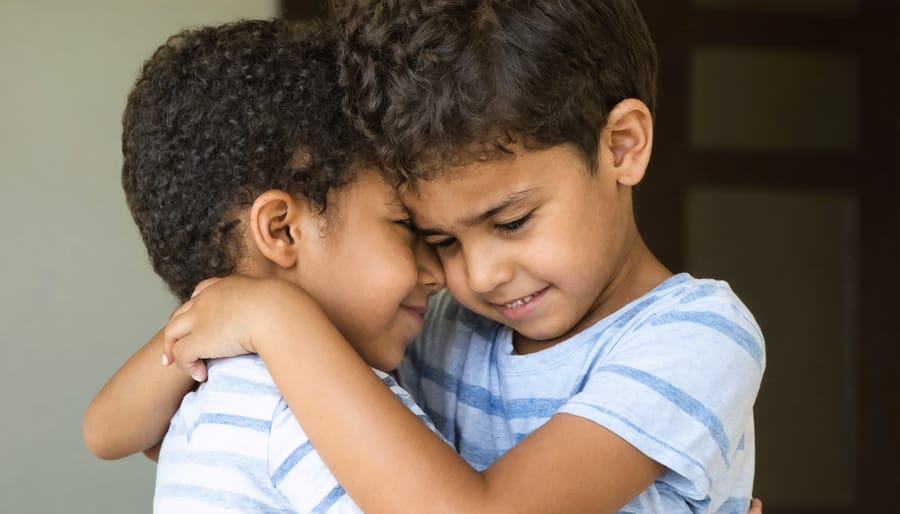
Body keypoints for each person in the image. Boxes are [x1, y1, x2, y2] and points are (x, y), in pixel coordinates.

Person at [85, 1, 766, 512]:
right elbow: (115, 432)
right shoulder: (447, 329)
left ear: (620, 146)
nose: (471, 274)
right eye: (435, 237)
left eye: (512, 220)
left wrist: (276, 319)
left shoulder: (696, 337)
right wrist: (251, 313)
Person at [85, 18, 446, 513]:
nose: (439, 273)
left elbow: (103, 434)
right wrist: (273, 313)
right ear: (282, 230)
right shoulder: (314, 419)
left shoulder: (211, 386)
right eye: (406, 224)